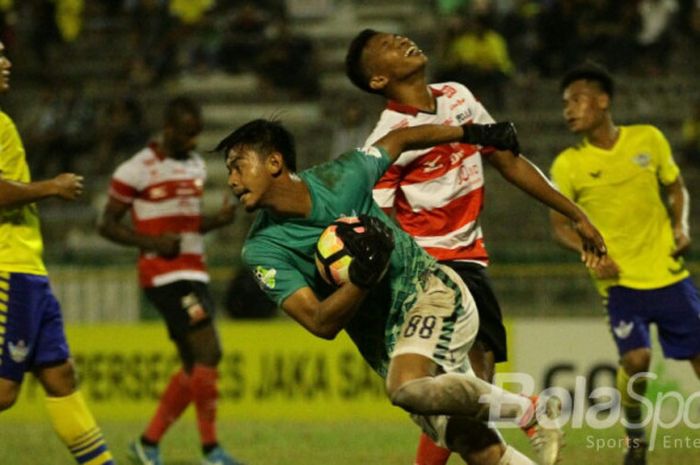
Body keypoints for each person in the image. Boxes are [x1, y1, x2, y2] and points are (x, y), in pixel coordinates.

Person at [217, 118, 591, 465]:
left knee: (406, 387)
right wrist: (362, 280)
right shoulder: (263, 249)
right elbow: (319, 322)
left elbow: (401, 138)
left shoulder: (341, 178)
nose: (231, 180)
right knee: (475, 445)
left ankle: (530, 410)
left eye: (238, 165)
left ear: (274, 162)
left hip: (430, 293)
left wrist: (474, 133)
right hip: (388, 346)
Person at [344, 29, 608, 465]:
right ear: (378, 80)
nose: (404, 41)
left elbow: (506, 159)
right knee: (456, 396)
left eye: (399, 35)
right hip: (432, 272)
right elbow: (377, 224)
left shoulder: (457, 97)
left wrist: (575, 213)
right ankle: (532, 411)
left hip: (471, 264)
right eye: (389, 46)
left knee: (469, 397)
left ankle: (528, 415)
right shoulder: (388, 138)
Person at [549, 61, 700, 465]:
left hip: (667, 274)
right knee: (636, 361)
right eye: (565, 103)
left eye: (577, 100)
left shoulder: (648, 139)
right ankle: (635, 436)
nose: (569, 110)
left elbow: (676, 188)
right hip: (619, 284)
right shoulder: (567, 164)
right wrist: (590, 252)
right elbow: (559, 227)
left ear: (603, 101)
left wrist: (681, 227)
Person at [97, 97, 242, 465]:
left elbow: (187, 222)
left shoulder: (194, 165)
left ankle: (147, 444)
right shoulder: (136, 169)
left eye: (197, 134)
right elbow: (107, 225)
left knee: (195, 364)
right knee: (209, 350)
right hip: (162, 274)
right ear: (169, 128)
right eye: (188, 134)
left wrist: (216, 221)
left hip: (194, 269)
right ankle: (211, 451)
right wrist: (152, 243)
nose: (194, 143)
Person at [0, 41, 115, 465]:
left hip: (28, 266)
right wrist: (51, 186)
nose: (8, 62)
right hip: (7, 267)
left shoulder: (3, 122)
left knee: (59, 374)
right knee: (4, 392)